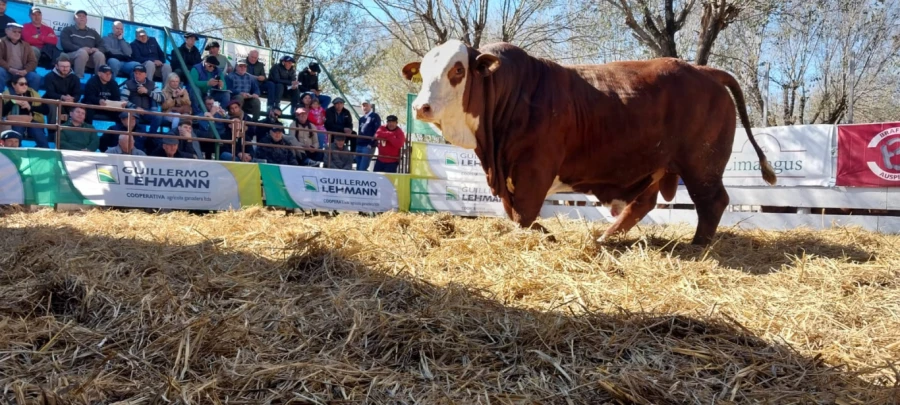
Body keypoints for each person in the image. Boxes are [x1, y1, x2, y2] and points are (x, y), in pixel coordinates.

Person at [1, 75, 48, 148]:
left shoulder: (32, 93)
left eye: (26, 84)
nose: (25, 86)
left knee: (38, 132)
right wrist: (13, 101)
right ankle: (16, 153)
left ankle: (45, 154)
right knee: (17, 129)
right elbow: (2, 112)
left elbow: (46, 110)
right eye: (21, 84)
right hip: (14, 121)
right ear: (13, 84)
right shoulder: (6, 94)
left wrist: (30, 107)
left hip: (31, 120)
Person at [59, 10, 106, 78]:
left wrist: (97, 49)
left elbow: (103, 45)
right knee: (82, 52)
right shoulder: (67, 30)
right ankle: (78, 79)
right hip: (72, 56)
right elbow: (65, 45)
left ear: (86, 19)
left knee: (99, 54)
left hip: (90, 58)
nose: (82, 17)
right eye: (79, 16)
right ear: (74, 18)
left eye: (84, 16)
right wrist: (80, 49)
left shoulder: (93, 32)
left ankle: (99, 80)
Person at [0, 22, 41, 93]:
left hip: (22, 72)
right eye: (14, 31)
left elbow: (33, 61)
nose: (17, 34)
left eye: (19, 32)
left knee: (35, 77)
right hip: (7, 71)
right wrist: (9, 69)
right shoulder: (1, 42)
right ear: (6, 31)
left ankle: (32, 101)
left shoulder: (26, 45)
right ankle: (1, 97)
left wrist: (25, 70)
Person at [356, 100, 381, 171]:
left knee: (362, 168)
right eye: (363, 105)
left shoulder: (375, 116)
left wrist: (371, 143)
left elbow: (377, 131)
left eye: (366, 105)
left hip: (368, 145)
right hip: (359, 145)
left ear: (370, 106)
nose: (365, 107)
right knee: (358, 167)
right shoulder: (361, 119)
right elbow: (359, 131)